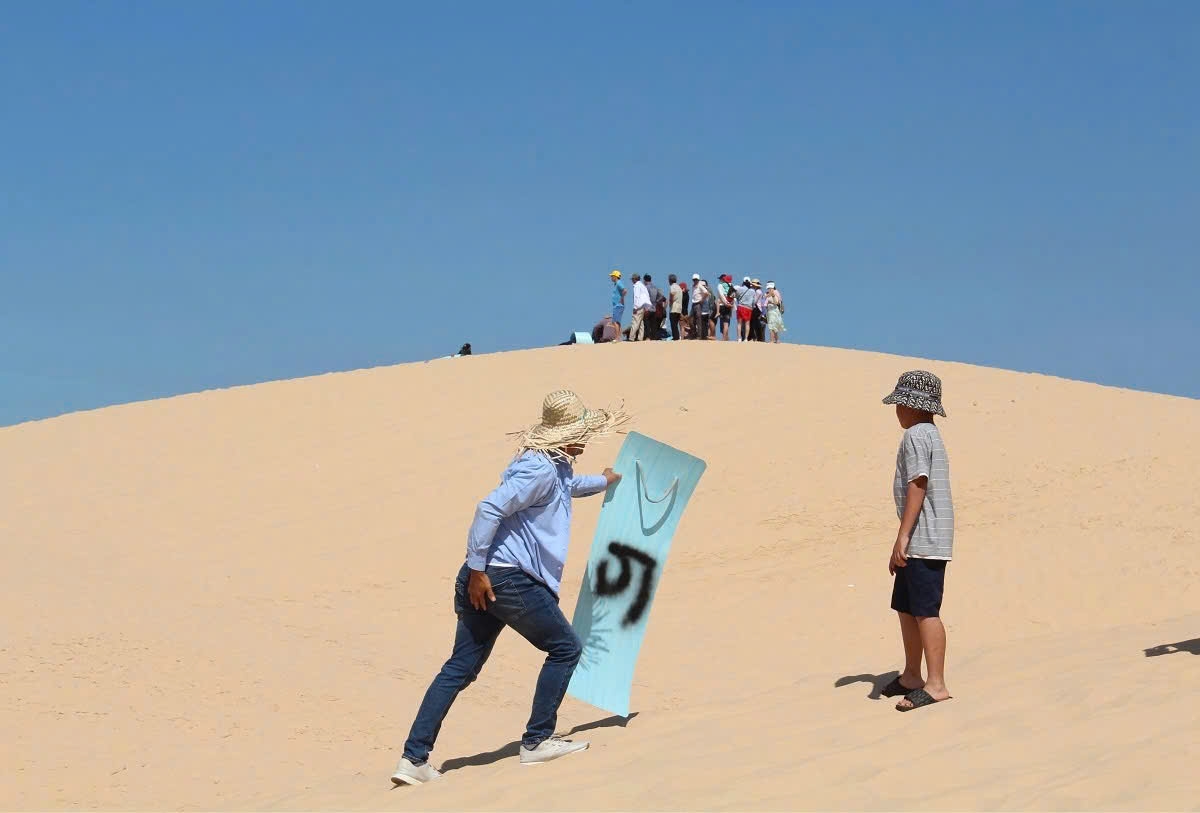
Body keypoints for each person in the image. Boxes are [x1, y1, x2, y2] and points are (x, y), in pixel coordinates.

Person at [391, 391, 630, 785]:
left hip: (488, 576)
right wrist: (477, 570)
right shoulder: (538, 469)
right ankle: (537, 741)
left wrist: (604, 481)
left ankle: (413, 760)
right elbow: (489, 508)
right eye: (581, 432)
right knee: (566, 648)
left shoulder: (551, 466)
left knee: (460, 667)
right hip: (504, 578)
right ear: (563, 436)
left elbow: (566, 487)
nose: (585, 439)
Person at [881, 371, 954, 712]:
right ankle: (912, 674)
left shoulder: (916, 436)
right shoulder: (928, 433)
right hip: (922, 538)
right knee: (907, 607)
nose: (897, 410)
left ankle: (936, 684)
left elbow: (917, 484)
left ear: (913, 407)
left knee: (925, 611)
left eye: (900, 404)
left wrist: (903, 537)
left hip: (923, 539)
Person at [629, 274, 651, 341]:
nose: (632, 280)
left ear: (634, 279)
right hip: (643, 306)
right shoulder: (643, 286)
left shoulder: (637, 286)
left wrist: (635, 307)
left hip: (638, 307)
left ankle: (631, 338)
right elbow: (647, 296)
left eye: (632, 279)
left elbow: (636, 297)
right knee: (641, 324)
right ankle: (640, 338)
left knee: (635, 322)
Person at [688, 274, 710, 340]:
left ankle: (699, 336)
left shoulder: (700, 286)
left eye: (696, 280)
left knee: (698, 320)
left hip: (698, 304)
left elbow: (706, 293)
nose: (695, 281)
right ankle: (694, 334)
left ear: (698, 280)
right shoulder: (693, 286)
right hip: (693, 303)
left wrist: (702, 300)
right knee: (691, 320)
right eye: (694, 280)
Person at [643, 274, 665, 340]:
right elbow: (661, 296)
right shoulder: (655, 287)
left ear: (645, 280)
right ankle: (654, 337)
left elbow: (644, 297)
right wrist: (656, 301)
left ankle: (648, 337)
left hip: (647, 307)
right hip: (654, 307)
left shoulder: (645, 287)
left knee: (646, 323)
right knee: (653, 323)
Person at [735, 276, 756, 341]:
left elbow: (736, 296)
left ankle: (739, 338)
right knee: (747, 323)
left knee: (739, 323)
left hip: (741, 306)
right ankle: (746, 339)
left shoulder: (740, 289)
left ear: (743, 282)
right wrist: (752, 307)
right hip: (748, 308)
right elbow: (754, 301)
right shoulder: (752, 291)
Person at [716, 275, 735, 340]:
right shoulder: (732, 286)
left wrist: (725, 303)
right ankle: (725, 338)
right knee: (726, 323)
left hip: (722, 306)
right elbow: (733, 298)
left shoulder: (720, 285)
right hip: (729, 306)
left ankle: (724, 338)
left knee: (722, 322)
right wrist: (732, 307)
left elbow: (721, 295)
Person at [668, 274, 683, 341]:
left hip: (674, 307)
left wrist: (670, 302)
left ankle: (675, 337)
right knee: (675, 323)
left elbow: (672, 294)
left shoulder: (672, 287)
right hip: (679, 308)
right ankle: (676, 336)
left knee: (673, 323)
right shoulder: (679, 287)